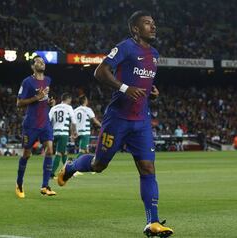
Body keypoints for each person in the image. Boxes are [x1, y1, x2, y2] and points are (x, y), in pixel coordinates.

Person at [57, 11, 174, 237]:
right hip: (118, 119)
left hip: (141, 121)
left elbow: (143, 82)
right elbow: (100, 71)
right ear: (136, 30)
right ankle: (70, 167)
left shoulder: (155, 54)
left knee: (148, 169)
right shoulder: (125, 47)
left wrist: (152, 92)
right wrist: (124, 88)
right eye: (148, 23)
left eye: (154, 23)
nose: (153, 26)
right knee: (99, 164)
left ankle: (153, 222)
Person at [15, 55, 56, 198]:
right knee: (26, 154)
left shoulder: (48, 80)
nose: (42, 63)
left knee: (50, 150)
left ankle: (45, 186)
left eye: (43, 61)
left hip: (45, 122)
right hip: (31, 124)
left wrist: (50, 102)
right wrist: (36, 98)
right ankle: (19, 184)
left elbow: (44, 99)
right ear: (33, 66)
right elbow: (19, 103)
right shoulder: (27, 82)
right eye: (38, 61)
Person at [49, 93, 77, 178]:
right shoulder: (69, 108)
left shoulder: (54, 107)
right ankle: (51, 173)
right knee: (59, 153)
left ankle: (69, 171)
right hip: (63, 133)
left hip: (55, 133)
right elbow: (73, 122)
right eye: (70, 100)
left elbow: (48, 120)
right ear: (68, 99)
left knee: (64, 152)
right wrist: (73, 132)